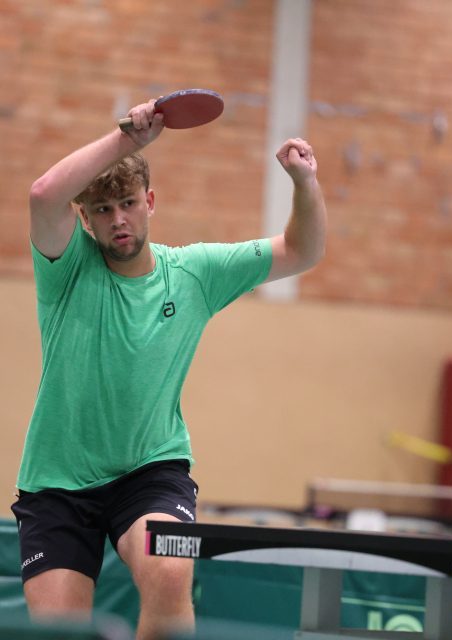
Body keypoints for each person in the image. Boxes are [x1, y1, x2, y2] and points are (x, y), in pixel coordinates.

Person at [11, 97, 327, 639]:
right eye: (102, 210)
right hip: (57, 483)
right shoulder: (67, 266)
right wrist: (127, 141)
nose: (118, 219)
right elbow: (43, 193)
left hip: (150, 472)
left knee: (169, 569)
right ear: (84, 218)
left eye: (128, 203)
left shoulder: (194, 273)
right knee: (60, 630)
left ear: (150, 201)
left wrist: (304, 182)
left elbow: (303, 250)